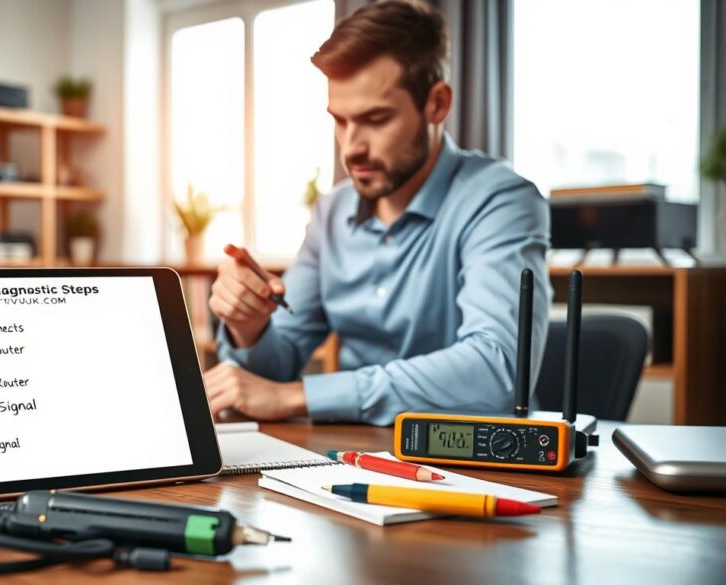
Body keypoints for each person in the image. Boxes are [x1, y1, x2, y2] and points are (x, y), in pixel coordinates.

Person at [204, 0, 551, 426]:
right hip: (347, 461)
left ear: (437, 105)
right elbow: (271, 376)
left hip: (471, 466)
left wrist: (302, 397)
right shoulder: (331, 214)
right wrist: (250, 326)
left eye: (376, 119)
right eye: (341, 121)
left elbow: (497, 370)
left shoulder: (501, 202)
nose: (351, 147)